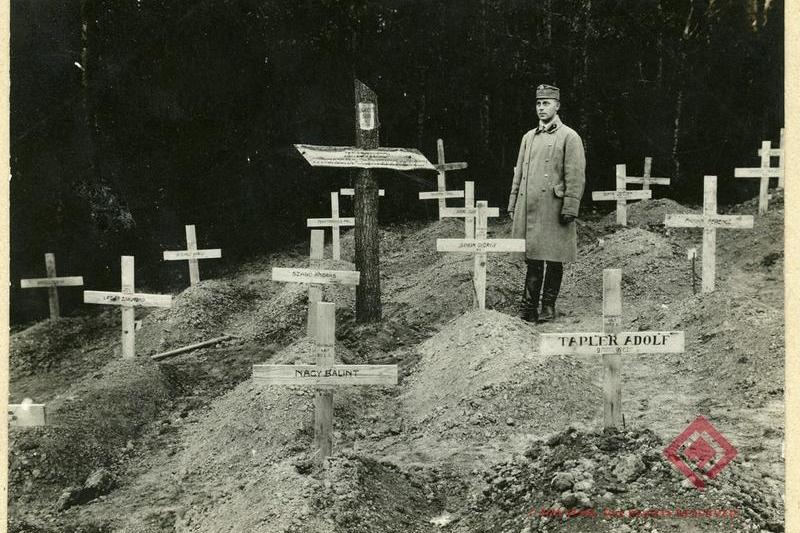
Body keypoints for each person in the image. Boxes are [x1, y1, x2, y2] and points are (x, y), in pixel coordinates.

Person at [507, 84, 586, 322]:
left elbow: (576, 175)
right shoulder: (528, 137)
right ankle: (528, 307)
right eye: (539, 103)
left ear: (557, 106)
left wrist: (570, 206)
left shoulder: (569, 136)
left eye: (547, 103)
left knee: (553, 257)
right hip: (529, 206)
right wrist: (513, 202)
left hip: (553, 206)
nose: (541, 108)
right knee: (532, 257)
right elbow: (519, 173)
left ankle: (548, 306)